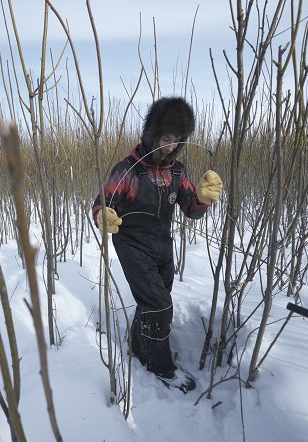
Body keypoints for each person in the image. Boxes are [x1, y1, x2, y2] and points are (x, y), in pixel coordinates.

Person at [92, 97, 222, 393]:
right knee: (159, 304)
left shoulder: (177, 172)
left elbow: (192, 210)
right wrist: (104, 217)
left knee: (156, 299)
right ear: (152, 134)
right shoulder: (129, 170)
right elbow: (102, 202)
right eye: (166, 138)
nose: (170, 146)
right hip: (131, 244)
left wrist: (202, 198)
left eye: (177, 140)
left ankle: (138, 344)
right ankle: (160, 366)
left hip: (162, 245)